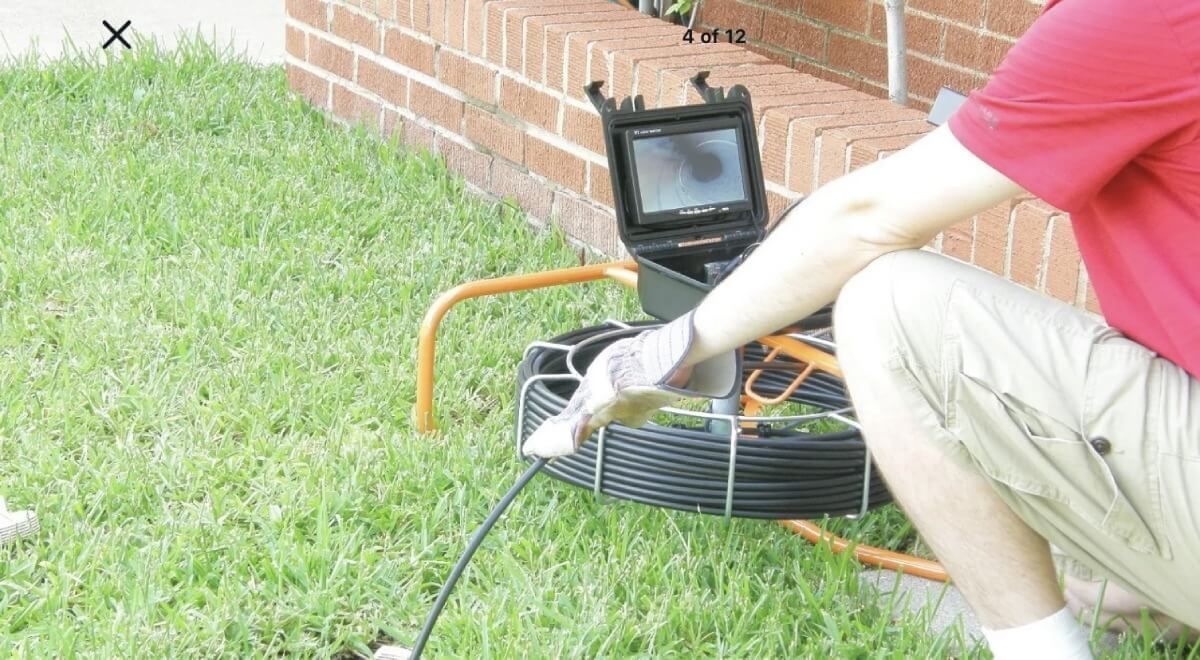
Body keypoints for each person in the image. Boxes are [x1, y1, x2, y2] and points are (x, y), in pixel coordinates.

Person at [521, 0, 1200, 657]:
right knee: (1072, 485)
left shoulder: (1140, 15)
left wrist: (670, 347)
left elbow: (866, 217)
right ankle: (1142, 598)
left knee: (889, 306)